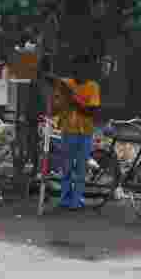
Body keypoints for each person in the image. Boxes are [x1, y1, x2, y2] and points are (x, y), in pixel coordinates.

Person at [50, 54, 101, 210]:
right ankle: (65, 199)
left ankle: (76, 200)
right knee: (66, 167)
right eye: (78, 69)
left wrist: (72, 97)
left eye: (85, 69)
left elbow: (90, 111)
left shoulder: (93, 86)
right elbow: (54, 108)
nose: (81, 72)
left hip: (85, 132)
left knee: (80, 168)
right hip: (67, 130)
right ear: (74, 70)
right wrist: (61, 96)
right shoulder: (65, 84)